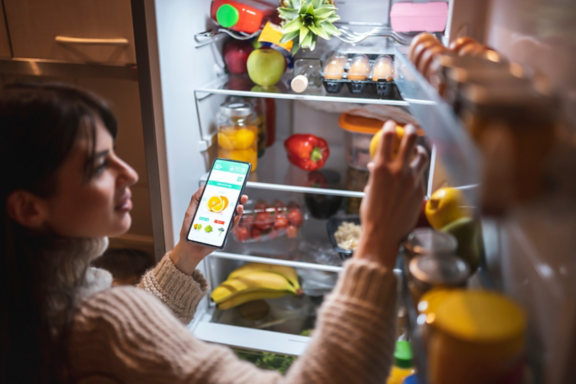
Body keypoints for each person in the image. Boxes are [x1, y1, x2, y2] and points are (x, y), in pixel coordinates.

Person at [0, 82, 428, 383]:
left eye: (114, 154)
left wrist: (186, 255)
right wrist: (376, 241)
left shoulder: (33, 301)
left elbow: (126, 338)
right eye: (98, 165)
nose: (128, 173)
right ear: (28, 208)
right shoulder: (98, 323)